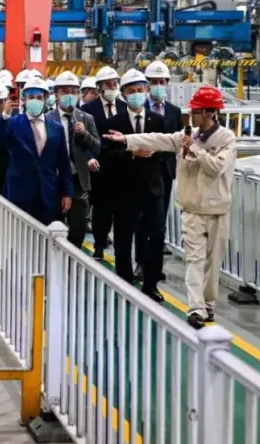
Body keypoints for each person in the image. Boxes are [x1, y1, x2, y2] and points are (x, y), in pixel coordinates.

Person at [104, 86, 235, 328]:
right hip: (192, 209)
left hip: (217, 210)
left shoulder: (226, 138)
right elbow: (158, 139)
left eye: (195, 111)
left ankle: (208, 305)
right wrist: (126, 140)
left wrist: (193, 150)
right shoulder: (188, 135)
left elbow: (216, 168)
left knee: (212, 261)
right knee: (195, 259)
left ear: (209, 113)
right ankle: (195, 309)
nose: (191, 116)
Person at [101, 68, 166, 303]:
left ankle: (151, 284)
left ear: (147, 91)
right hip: (124, 190)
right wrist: (132, 153)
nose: (137, 94)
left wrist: (153, 152)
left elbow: (166, 151)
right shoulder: (113, 122)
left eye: (141, 90)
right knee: (123, 238)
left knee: (155, 237)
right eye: (132, 91)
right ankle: (124, 282)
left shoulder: (158, 121)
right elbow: (107, 155)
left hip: (152, 189)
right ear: (124, 93)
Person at [0, 76, 72, 225]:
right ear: (24, 100)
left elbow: (63, 163)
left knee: (45, 240)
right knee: (19, 238)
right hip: (19, 194)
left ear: (46, 99)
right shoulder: (13, 123)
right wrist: (5, 115)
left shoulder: (56, 128)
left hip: (47, 194)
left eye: (39, 97)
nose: (35, 100)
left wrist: (67, 192)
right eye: (31, 97)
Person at [135, 60, 185, 281]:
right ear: (147, 85)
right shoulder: (138, 109)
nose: (157, 85)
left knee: (159, 222)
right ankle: (140, 263)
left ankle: (155, 266)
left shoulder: (174, 112)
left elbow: (178, 141)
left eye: (161, 82)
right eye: (153, 82)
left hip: (164, 172)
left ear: (167, 83)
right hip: (141, 171)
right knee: (140, 219)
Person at [45, 71, 101, 248]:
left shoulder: (86, 118)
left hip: (78, 179)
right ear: (56, 94)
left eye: (73, 91)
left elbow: (97, 147)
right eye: (64, 91)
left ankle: (72, 258)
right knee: (53, 223)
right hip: (54, 178)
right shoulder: (46, 119)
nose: (69, 95)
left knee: (78, 227)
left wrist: (84, 135)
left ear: (78, 94)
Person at [81, 66, 127, 261]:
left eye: (115, 83)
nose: (113, 87)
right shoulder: (87, 110)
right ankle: (99, 245)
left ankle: (121, 249)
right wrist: (89, 157)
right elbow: (81, 139)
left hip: (123, 167)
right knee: (101, 210)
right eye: (109, 84)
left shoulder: (125, 108)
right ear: (100, 87)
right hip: (99, 167)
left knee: (122, 211)